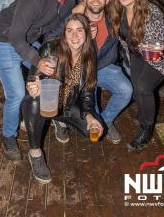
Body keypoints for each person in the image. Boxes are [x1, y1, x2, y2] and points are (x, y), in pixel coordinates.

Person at [0, 0, 80, 161]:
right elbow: (15, 37)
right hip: (3, 40)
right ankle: (8, 136)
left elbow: (55, 32)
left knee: (50, 74)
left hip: (28, 41)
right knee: (17, 93)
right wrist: (37, 60)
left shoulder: (70, 1)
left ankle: (46, 115)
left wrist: (53, 53)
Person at [22, 14, 103, 183]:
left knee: (91, 132)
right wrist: (33, 87)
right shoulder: (50, 48)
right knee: (34, 102)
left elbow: (88, 91)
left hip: (67, 104)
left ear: (87, 33)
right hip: (46, 101)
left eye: (79, 30)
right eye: (70, 31)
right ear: (64, 33)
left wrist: (89, 116)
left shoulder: (89, 56)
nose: (74, 36)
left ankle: (58, 120)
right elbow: (32, 78)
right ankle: (35, 153)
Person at [109, 0, 164, 151]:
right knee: (137, 87)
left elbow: (161, 51)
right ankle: (144, 110)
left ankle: (147, 129)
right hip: (136, 54)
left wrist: (155, 52)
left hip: (162, 57)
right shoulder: (117, 7)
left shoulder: (151, 12)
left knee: (143, 87)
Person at [84, 0, 133, 143]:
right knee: (90, 102)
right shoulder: (74, 20)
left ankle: (105, 121)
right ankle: (94, 121)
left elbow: (142, 4)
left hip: (105, 67)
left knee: (126, 90)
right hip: (81, 71)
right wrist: (85, 40)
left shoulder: (114, 19)